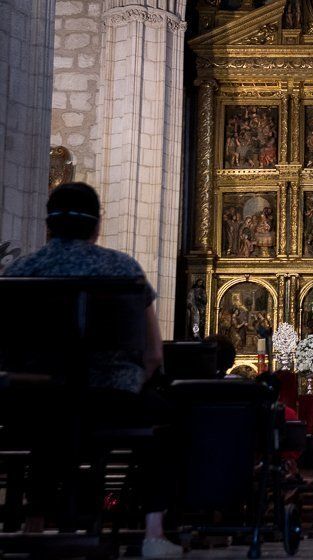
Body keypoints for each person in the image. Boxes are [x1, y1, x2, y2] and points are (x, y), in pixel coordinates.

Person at [3, 182, 181, 558]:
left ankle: (33, 523)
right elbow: (152, 355)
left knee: (53, 419)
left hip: (34, 405)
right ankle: (153, 533)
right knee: (168, 423)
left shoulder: (20, 272)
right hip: (111, 400)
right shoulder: (123, 269)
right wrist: (127, 382)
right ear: (97, 226)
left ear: (48, 226)